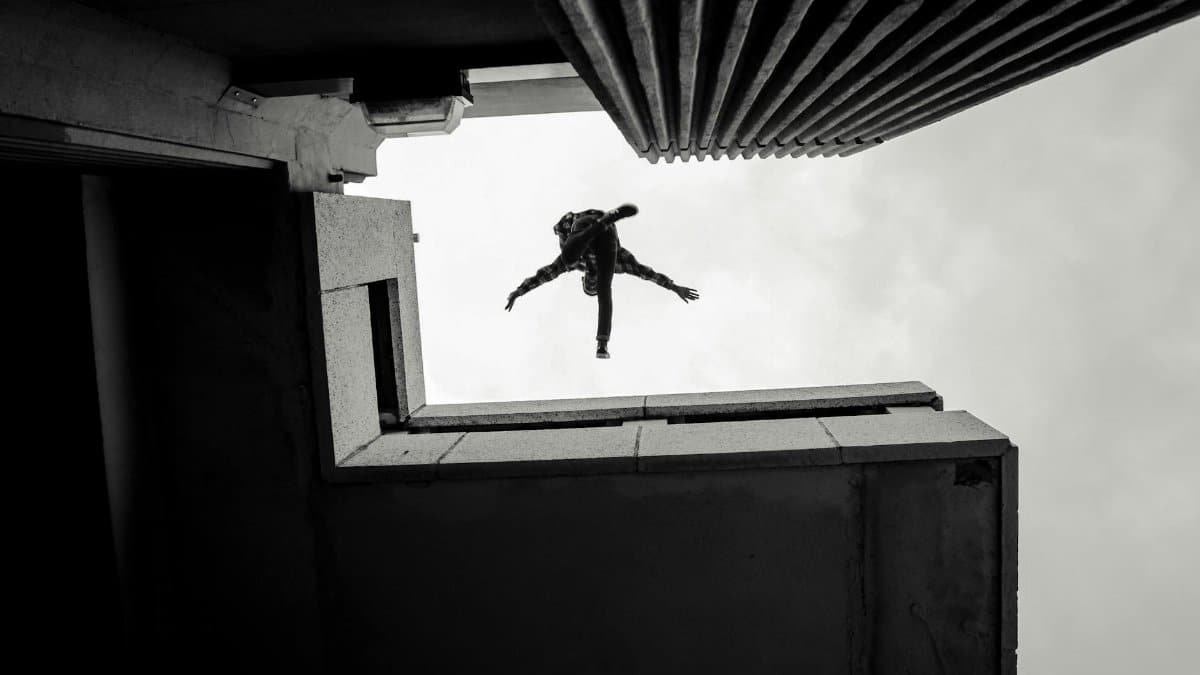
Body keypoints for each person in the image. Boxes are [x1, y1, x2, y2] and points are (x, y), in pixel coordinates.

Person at [505, 203, 700, 358]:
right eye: (593, 285)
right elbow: (647, 273)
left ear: (583, 279)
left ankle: (602, 223)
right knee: (605, 288)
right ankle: (605, 222)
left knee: (568, 258)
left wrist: (518, 292)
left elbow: (542, 275)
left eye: (589, 284)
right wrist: (674, 287)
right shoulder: (620, 264)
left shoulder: (574, 266)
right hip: (606, 234)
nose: (592, 281)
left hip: (585, 224)